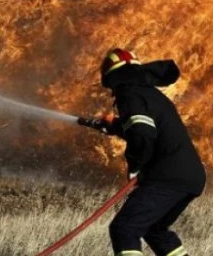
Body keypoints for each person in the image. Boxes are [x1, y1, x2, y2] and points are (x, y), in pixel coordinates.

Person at [85, 48, 206, 256]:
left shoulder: (129, 93)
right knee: (155, 230)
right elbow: (144, 129)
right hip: (190, 176)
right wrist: (115, 126)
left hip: (167, 177)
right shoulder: (148, 93)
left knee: (125, 229)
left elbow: (142, 134)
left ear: (113, 76)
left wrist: (136, 166)